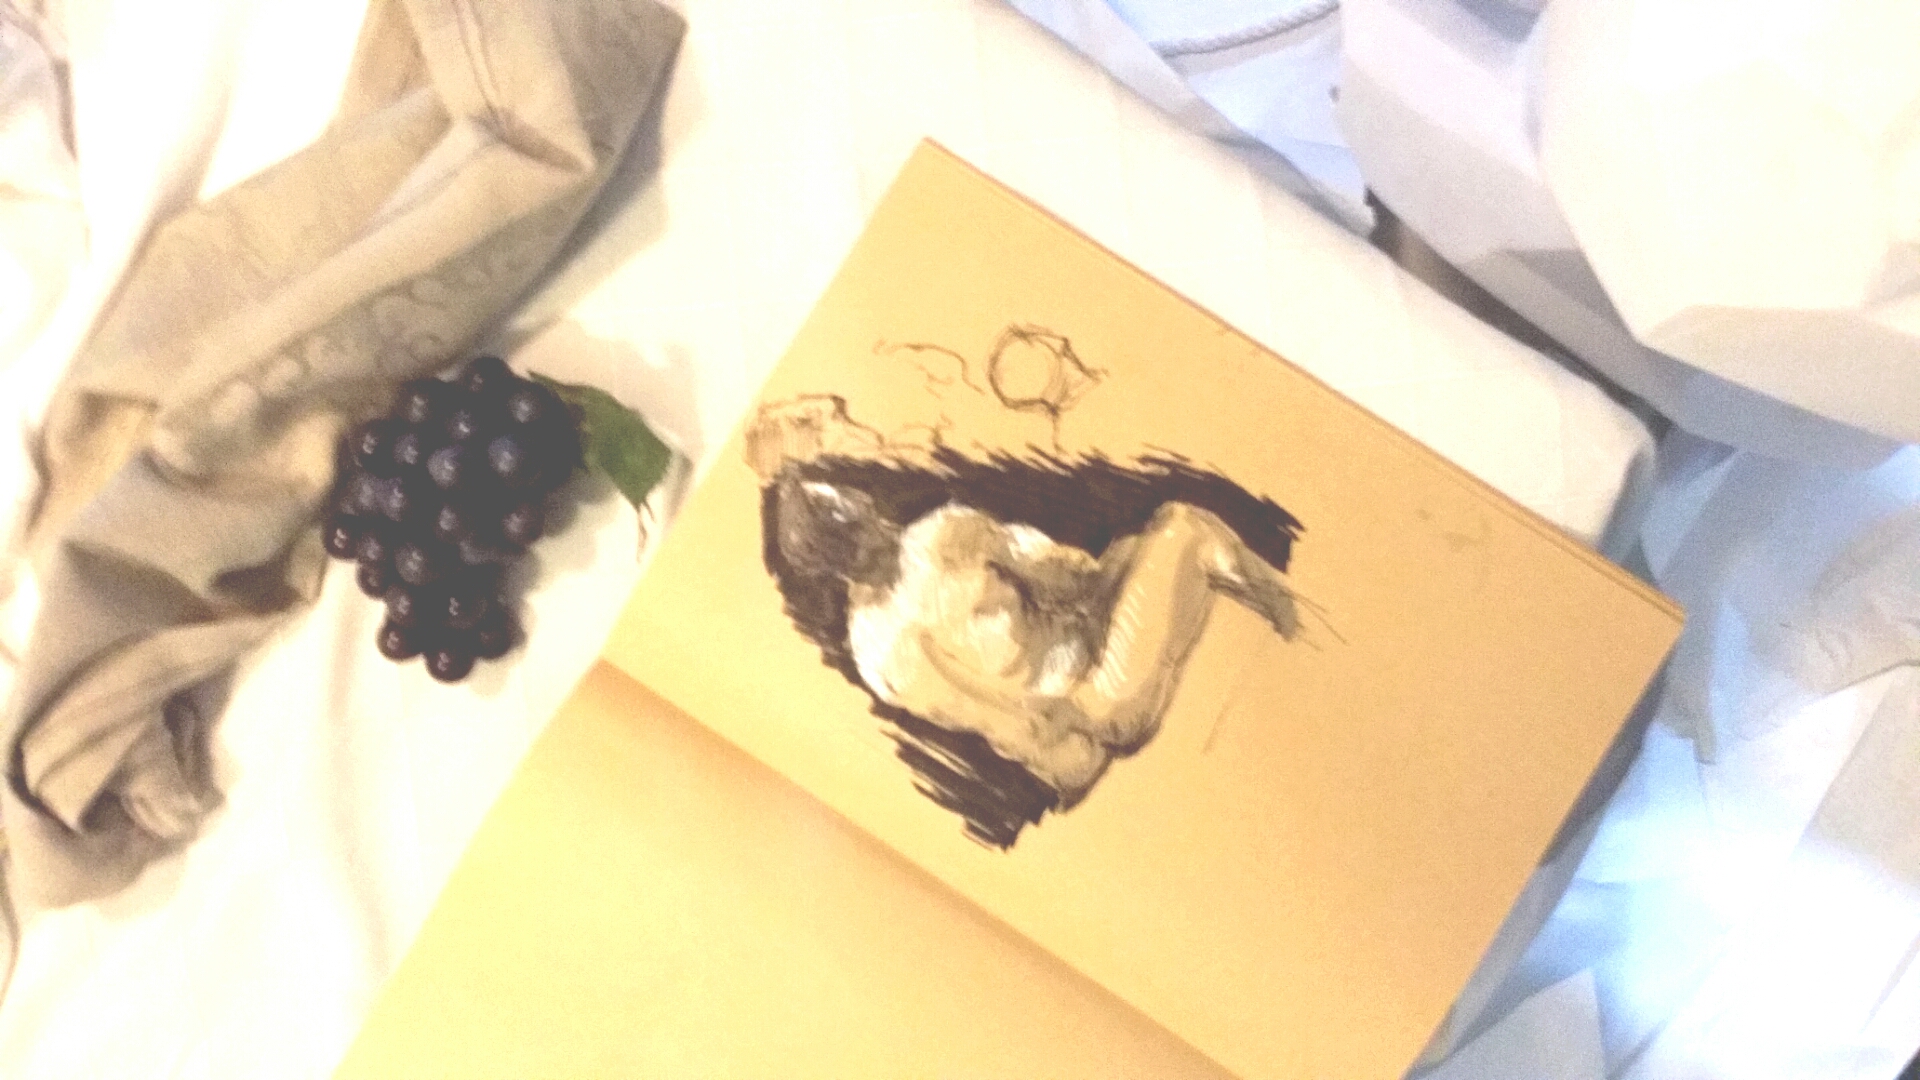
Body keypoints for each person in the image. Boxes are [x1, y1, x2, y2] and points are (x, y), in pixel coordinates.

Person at [769, 464, 1302, 842]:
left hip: (1066, 762)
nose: (859, 496)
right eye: (843, 496)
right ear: (852, 511)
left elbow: (988, 715)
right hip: (1105, 695)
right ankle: (1295, 616)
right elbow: (1071, 575)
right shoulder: (941, 535)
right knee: (1183, 526)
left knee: (1131, 552)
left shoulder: (872, 652)